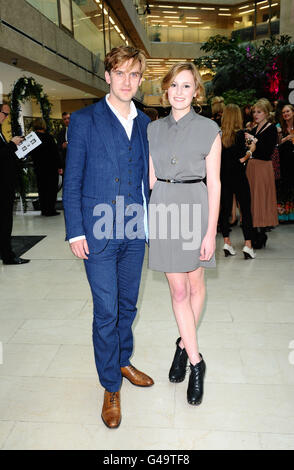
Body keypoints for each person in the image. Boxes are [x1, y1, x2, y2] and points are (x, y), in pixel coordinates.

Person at [63, 46, 154, 429]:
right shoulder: (84, 120)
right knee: (106, 311)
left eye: (134, 75)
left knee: (128, 305)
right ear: (108, 76)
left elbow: (149, 178)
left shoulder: (148, 123)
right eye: (121, 73)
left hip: (134, 229)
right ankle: (110, 384)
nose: (127, 81)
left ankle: (123, 359)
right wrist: (75, 230)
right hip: (97, 230)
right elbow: (73, 179)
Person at [148, 63, 221, 406]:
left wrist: (211, 232)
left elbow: (216, 183)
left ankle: (181, 346)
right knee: (178, 292)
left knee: (195, 287)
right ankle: (196, 362)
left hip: (196, 207)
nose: (179, 91)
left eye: (187, 86)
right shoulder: (152, 129)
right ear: (166, 89)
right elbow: (149, 180)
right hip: (164, 208)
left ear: (197, 92)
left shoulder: (210, 129)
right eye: (174, 85)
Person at [219, 104, 256, 259]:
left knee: (225, 210)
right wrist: (250, 151)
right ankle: (248, 244)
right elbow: (240, 159)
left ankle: (227, 242)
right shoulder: (241, 135)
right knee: (246, 209)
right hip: (239, 176)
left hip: (223, 177)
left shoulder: (219, 135)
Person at [245, 99, 279, 248]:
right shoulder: (255, 128)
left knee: (260, 199)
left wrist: (253, 139)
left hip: (262, 167)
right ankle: (255, 232)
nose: (255, 114)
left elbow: (266, 151)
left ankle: (261, 232)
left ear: (266, 113)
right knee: (252, 199)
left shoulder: (271, 129)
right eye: (254, 112)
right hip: (252, 167)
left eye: (259, 112)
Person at [0, 102, 29, 265]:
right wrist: (12, 144)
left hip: (5, 183)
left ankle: (6, 252)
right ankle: (7, 255)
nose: (5, 117)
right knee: (4, 221)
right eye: (4, 114)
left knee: (4, 221)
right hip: (2, 186)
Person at [30, 118, 61, 216]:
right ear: (43, 125)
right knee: (51, 190)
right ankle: (50, 210)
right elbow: (55, 154)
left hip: (39, 168)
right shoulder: (49, 138)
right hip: (50, 168)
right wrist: (60, 166)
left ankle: (44, 209)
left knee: (42, 189)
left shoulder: (32, 139)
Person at [277, 104, 294, 222]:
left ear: (293, 112)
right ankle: (283, 216)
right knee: (284, 187)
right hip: (284, 162)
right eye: (283, 112)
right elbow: (275, 144)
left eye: (287, 111)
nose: (285, 114)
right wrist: (285, 138)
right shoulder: (278, 127)